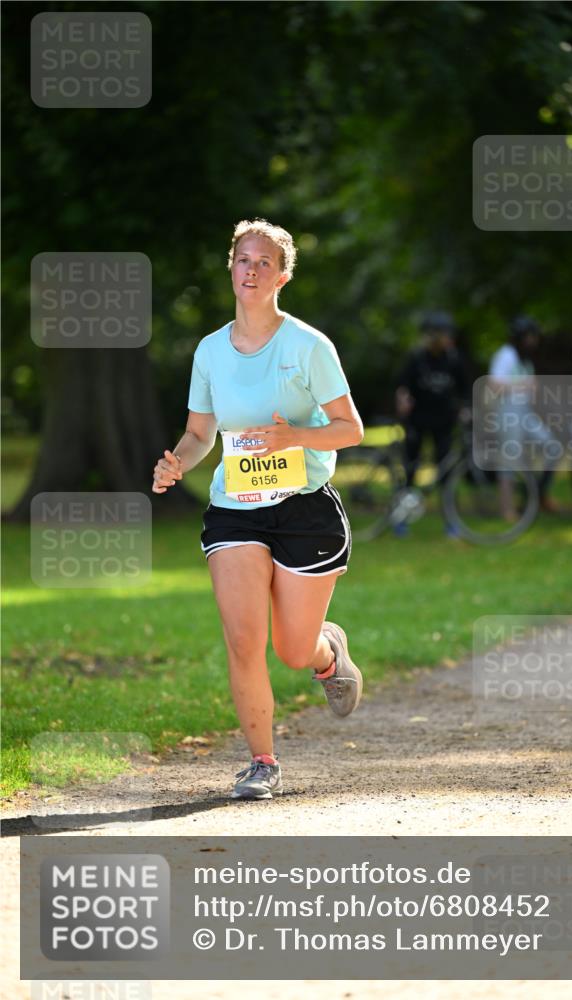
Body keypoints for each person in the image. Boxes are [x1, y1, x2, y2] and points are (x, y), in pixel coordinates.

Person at [152, 218, 364, 800]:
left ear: (282, 276)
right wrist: (178, 463)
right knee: (244, 640)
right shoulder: (211, 351)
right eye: (242, 260)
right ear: (231, 269)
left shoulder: (308, 346)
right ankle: (262, 762)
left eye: (263, 262)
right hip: (236, 509)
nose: (250, 270)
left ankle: (327, 653)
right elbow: (199, 434)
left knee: (291, 649)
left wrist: (294, 436)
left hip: (304, 509)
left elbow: (351, 430)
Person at [394, 311, 468, 533]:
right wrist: (402, 399)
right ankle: (401, 520)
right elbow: (401, 385)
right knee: (411, 470)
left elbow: (464, 389)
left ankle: (450, 521)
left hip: (444, 423)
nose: (449, 339)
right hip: (417, 422)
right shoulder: (416, 358)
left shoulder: (453, 359)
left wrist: (465, 410)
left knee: (445, 473)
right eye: (445, 334)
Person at [488, 315, 559, 519]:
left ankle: (538, 493)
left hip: (525, 413)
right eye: (530, 336)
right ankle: (507, 509)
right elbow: (494, 386)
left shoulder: (525, 359)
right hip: (507, 412)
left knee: (552, 446)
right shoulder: (506, 355)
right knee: (509, 461)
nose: (534, 340)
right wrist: (523, 386)